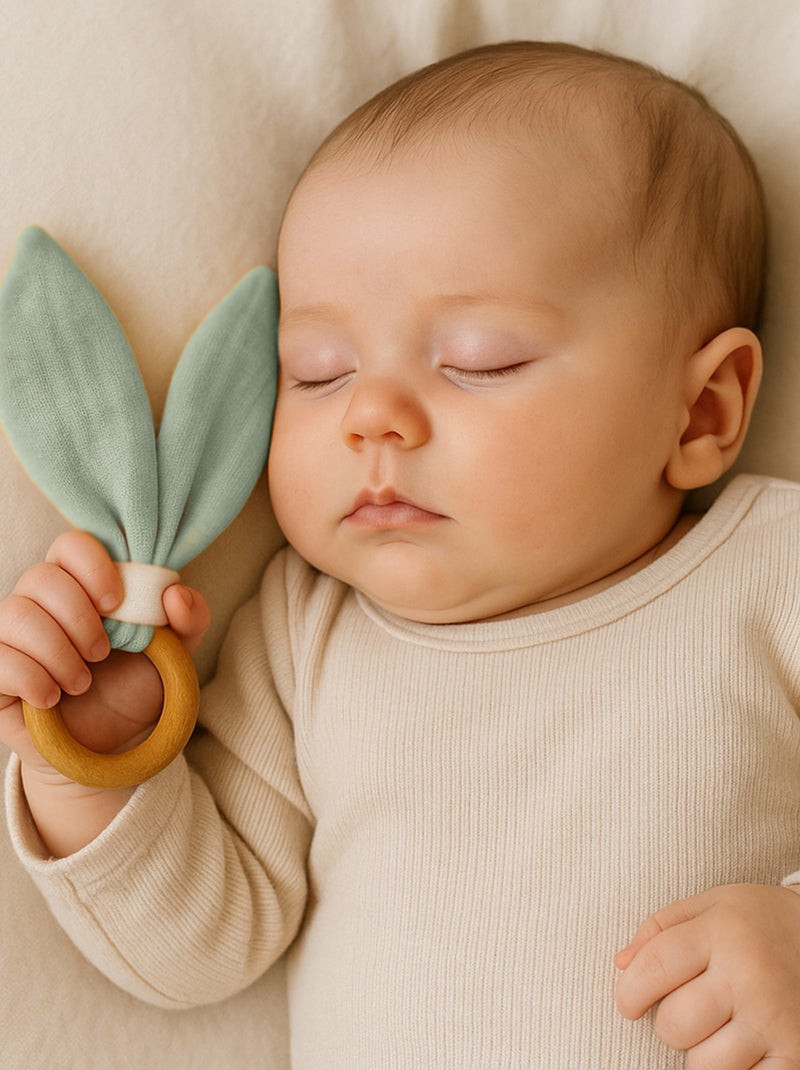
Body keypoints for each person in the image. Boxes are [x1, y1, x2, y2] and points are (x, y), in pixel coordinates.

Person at [2, 39, 800, 1068]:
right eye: (318, 372)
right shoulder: (306, 635)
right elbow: (204, 947)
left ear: (700, 409)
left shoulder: (766, 576)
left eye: (478, 359)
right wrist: (100, 763)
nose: (370, 415)